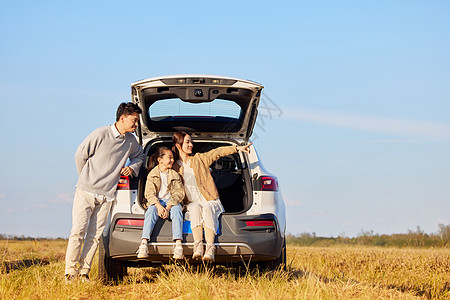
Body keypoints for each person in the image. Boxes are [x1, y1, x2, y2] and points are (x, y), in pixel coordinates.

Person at [64, 102, 145, 282]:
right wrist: (86, 177)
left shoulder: (131, 141)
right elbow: (80, 155)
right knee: (78, 231)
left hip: (107, 196)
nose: (136, 124)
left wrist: (132, 167)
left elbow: (140, 156)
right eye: (134, 120)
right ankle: (70, 273)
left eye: (137, 121)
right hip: (86, 191)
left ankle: (84, 272)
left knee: (95, 236)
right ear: (122, 118)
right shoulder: (101, 133)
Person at [172, 131, 252, 262]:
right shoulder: (174, 167)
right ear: (178, 145)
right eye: (187, 142)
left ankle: (210, 248)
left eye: (191, 142)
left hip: (210, 200)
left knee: (208, 208)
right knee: (194, 208)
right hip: (192, 203)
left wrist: (237, 148)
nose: (191, 145)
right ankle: (198, 246)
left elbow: (217, 152)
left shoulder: (199, 159)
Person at [137, 147, 185, 259]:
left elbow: (179, 194)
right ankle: (144, 243)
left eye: (173, 158)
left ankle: (178, 244)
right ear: (160, 160)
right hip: (156, 202)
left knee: (177, 210)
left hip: (171, 202)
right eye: (170, 157)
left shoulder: (175, 175)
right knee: (151, 210)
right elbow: (149, 194)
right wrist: (158, 206)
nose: (172, 160)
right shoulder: (152, 175)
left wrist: (167, 208)